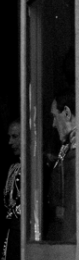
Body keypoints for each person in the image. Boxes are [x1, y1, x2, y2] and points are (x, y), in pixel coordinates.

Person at [46, 90, 76, 242]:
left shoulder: (75, 152)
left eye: (54, 117)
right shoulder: (67, 147)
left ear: (66, 113)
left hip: (68, 235)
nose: (53, 124)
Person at [1, 120, 21, 260]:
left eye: (15, 137)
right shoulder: (13, 165)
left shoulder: (35, 165)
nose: (10, 142)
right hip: (12, 229)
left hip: (23, 231)